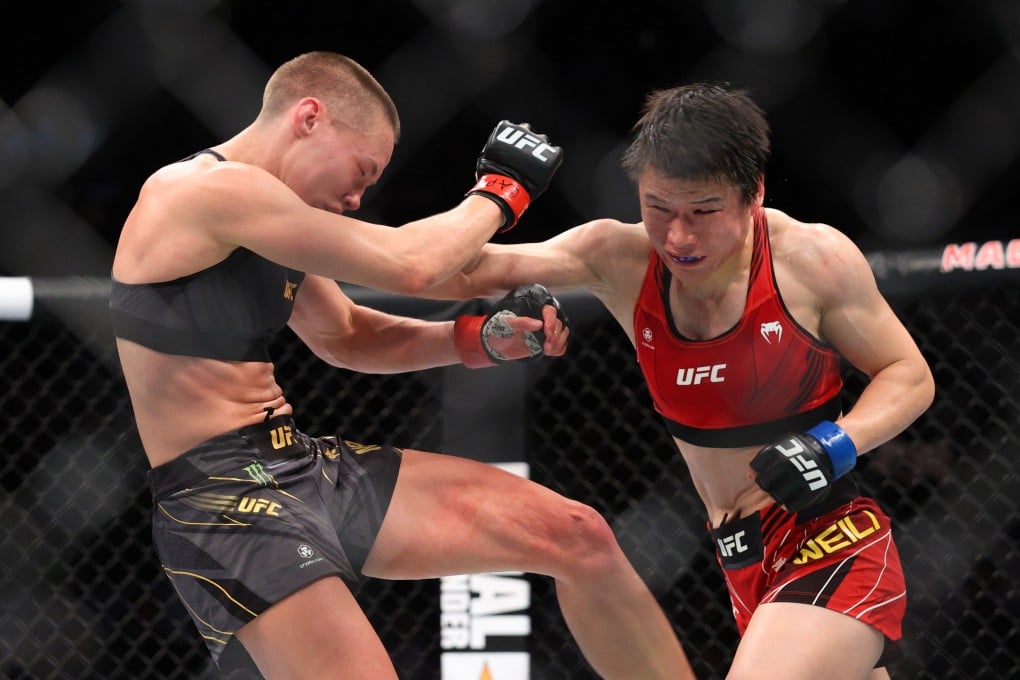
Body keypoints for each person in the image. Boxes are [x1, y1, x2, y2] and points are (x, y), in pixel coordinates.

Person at [109, 51, 695, 679]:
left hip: (296, 464)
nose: (359, 198)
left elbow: (347, 335)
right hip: (226, 498)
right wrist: (501, 191)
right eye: (362, 171)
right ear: (310, 117)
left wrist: (479, 339)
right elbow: (409, 264)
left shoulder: (268, 218)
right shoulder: (206, 191)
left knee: (579, 537)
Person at [425, 82, 936, 679]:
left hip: (831, 537)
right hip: (738, 555)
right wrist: (497, 194)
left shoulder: (810, 261)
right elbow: (443, 271)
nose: (678, 238)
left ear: (754, 195)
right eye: (659, 208)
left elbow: (909, 374)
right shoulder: (619, 257)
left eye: (704, 212)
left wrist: (835, 443)